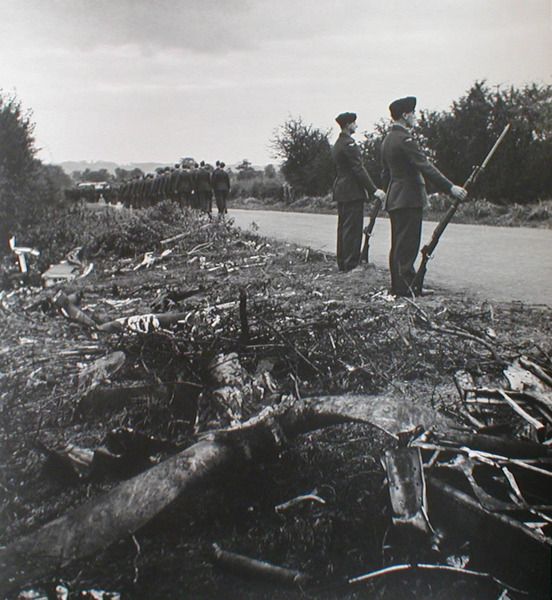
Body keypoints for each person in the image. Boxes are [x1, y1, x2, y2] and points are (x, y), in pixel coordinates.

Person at [381, 96, 467, 296]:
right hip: (409, 198)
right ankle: (406, 289)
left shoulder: (387, 140)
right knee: (408, 245)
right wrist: (450, 187)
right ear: (405, 115)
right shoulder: (405, 139)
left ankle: (400, 286)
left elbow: (384, 173)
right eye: (413, 113)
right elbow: (425, 166)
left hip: (395, 197)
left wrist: (389, 194)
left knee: (398, 245)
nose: (415, 117)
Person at [332, 112, 386, 272]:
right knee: (353, 229)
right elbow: (358, 169)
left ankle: (343, 262)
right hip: (351, 191)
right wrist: (374, 190)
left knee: (344, 228)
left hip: (342, 189)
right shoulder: (349, 143)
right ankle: (351, 264)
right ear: (348, 125)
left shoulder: (338, 143)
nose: (356, 126)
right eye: (354, 123)